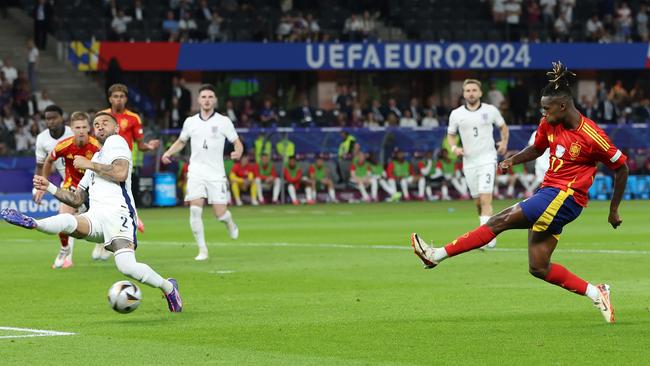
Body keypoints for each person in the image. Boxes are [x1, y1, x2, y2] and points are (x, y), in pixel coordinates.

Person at [411, 62, 628, 324]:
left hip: (567, 197)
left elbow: (621, 167)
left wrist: (614, 209)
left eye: (547, 109)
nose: (543, 113)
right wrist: (512, 160)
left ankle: (436, 255)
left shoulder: (592, 135)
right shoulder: (550, 123)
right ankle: (597, 292)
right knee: (538, 267)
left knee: (499, 220)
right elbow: (537, 149)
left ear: (563, 107)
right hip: (550, 192)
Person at [1, 112, 183, 312]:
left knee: (126, 267)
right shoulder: (96, 157)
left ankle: (168, 287)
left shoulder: (117, 142)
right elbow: (77, 199)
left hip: (119, 215)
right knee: (69, 220)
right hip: (96, 217)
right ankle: (34, 223)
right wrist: (50, 187)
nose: (100, 126)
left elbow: (121, 173)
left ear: (116, 128)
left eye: (105, 123)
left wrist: (89, 164)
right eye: (96, 124)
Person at [162, 84, 242, 261]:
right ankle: (202, 250)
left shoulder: (223, 121)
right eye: (203, 97)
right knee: (195, 210)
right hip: (196, 172)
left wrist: (238, 152)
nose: (207, 100)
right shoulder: (190, 122)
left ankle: (229, 222)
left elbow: (237, 142)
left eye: (210, 97)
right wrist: (168, 152)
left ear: (215, 100)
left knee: (220, 214)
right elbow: (182, 141)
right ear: (198, 100)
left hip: (216, 174)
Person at [447, 78, 509, 248]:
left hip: (487, 159)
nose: (471, 93)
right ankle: (485, 229)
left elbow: (503, 127)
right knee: (478, 201)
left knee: (485, 198)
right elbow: (451, 135)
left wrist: (503, 143)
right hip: (469, 162)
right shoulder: (456, 114)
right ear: (463, 93)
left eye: (474, 90)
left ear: (480, 93)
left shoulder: (491, 110)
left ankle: (487, 239)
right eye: (468, 90)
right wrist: (454, 149)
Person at [41, 112, 101, 268]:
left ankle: (103, 242)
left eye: (84, 127)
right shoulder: (64, 145)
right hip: (71, 186)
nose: (81, 130)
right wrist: (45, 180)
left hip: (93, 189)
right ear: (72, 129)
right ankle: (64, 248)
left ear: (89, 128)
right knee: (63, 218)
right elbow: (49, 160)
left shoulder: (97, 147)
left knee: (99, 221)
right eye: (77, 127)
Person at [100, 83, 160, 236]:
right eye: (115, 97)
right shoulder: (102, 116)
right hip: (104, 159)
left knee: (124, 192)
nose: (118, 100)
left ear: (126, 99)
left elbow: (140, 145)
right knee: (104, 194)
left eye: (121, 97)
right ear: (110, 99)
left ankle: (133, 218)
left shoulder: (133, 118)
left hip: (124, 161)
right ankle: (109, 228)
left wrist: (149, 147)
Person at [33, 105, 73, 263]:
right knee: (65, 218)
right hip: (68, 182)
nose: (50, 121)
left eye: (54, 118)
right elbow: (40, 165)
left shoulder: (73, 133)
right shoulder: (42, 139)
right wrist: (39, 185)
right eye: (47, 119)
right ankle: (66, 252)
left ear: (62, 118)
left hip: (85, 180)